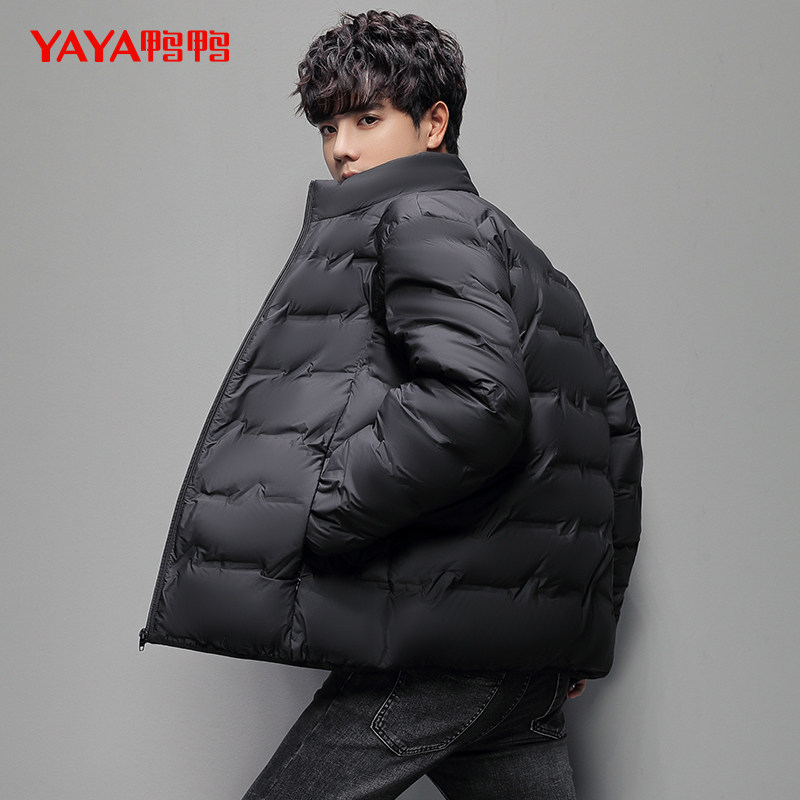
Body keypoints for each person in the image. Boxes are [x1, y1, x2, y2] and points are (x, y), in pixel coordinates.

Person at [140, 10, 643, 799]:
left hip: (440, 653)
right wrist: (582, 626)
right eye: (328, 126)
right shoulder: (527, 258)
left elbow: (477, 400)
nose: (342, 148)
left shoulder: (420, 219)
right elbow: (614, 432)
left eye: (367, 119)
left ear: (434, 122)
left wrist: (323, 507)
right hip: (526, 661)